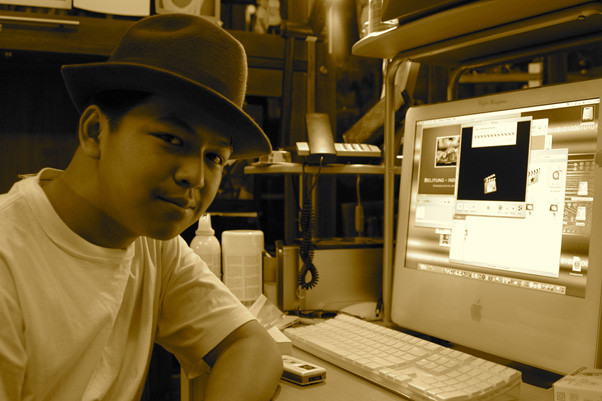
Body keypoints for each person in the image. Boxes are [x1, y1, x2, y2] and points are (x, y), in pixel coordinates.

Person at [0, 13, 283, 401]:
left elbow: (251, 345)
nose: (195, 176)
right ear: (95, 132)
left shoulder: (153, 245)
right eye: (171, 138)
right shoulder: (10, 257)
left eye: (214, 157)